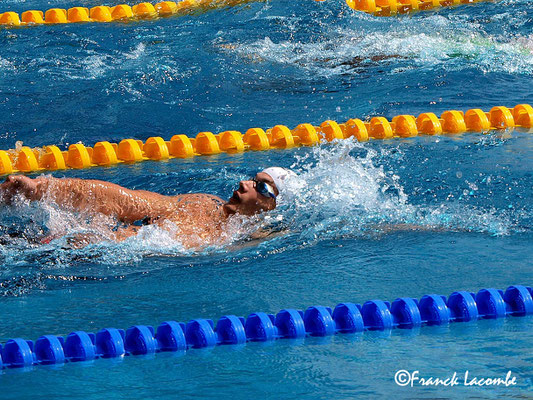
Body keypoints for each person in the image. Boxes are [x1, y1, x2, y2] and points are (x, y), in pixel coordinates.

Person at [0, 167, 296, 247]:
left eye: (260, 187)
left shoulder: (240, 241)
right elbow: (127, 200)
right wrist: (43, 190)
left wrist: (98, 241)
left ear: (271, 206)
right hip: (78, 245)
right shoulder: (203, 204)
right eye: (252, 178)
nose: (245, 184)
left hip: (83, 254)